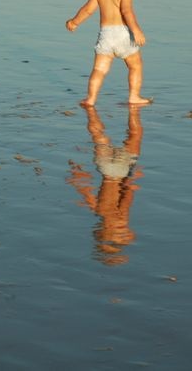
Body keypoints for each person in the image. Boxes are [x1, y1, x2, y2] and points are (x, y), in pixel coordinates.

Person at [66, 0, 151, 107]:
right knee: (135, 65)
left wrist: (74, 22)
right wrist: (137, 30)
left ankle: (90, 99)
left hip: (105, 35)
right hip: (122, 34)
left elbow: (87, 10)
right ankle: (134, 96)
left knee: (99, 69)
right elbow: (127, 12)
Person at [67, 105, 144, 265]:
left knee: (135, 135)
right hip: (104, 168)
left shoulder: (120, 217)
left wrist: (134, 178)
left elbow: (127, 195)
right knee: (98, 136)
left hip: (122, 171)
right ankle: (91, 111)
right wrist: (77, 176)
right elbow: (86, 190)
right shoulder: (98, 211)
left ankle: (134, 110)